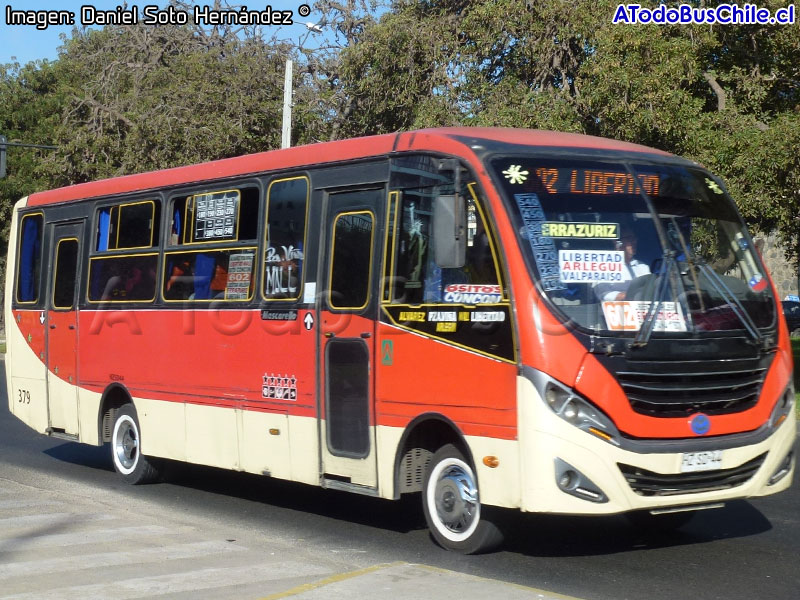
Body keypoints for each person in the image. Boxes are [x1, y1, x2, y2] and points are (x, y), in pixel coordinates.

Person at [594, 231, 650, 301]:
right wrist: (626, 296)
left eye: (634, 239)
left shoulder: (643, 267)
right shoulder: (603, 267)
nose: (634, 242)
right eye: (629, 239)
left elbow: (649, 293)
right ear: (617, 243)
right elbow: (603, 293)